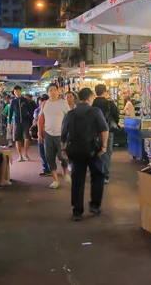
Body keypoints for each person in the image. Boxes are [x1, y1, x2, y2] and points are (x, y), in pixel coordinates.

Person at [61, 88, 109, 221]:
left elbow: (63, 135)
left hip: (75, 150)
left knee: (77, 180)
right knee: (98, 176)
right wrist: (104, 147)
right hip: (93, 149)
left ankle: (77, 211)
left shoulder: (70, 114)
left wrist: (64, 150)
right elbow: (104, 130)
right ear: (90, 98)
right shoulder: (95, 111)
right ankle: (95, 205)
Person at [39, 84, 71, 189]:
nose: (52, 92)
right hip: (48, 135)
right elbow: (41, 118)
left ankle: (65, 173)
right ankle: (56, 180)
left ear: (58, 91)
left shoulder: (63, 103)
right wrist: (40, 133)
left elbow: (69, 117)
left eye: (54, 90)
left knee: (63, 157)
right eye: (50, 90)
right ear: (47, 92)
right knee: (49, 158)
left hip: (61, 135)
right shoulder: (44, 104)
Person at [92, 84, 119, 184]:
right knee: (106, 153)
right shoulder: (110, 104)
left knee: (96, 153)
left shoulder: (92, 103)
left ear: (95, 92)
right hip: (108, 131)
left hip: (95, 132)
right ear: (104, 92)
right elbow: (116, 116)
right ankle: (105, 176)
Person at [9, 86, 33, 161]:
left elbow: (30, 111)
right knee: (17, 139)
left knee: (27, 138)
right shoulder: (13, 101)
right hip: (16, 122)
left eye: (18, 91)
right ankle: (20, 156)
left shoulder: (25, 100)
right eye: (15, 92)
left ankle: (25, 153)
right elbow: (10, 112)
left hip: (25, 122)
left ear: (21, 91)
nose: (17, 93)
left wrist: (31, 120)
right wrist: (9, 123)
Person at [33, 94, 50, 177]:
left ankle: (48, 169)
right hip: (42, 133)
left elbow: (36, 121)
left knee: (46, 152)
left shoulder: (49, 111)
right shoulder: (37, 110)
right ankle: (47, 169)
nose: (42, 103)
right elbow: (36, 122)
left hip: (47, 133)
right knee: (43, 152)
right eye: (41, 101)